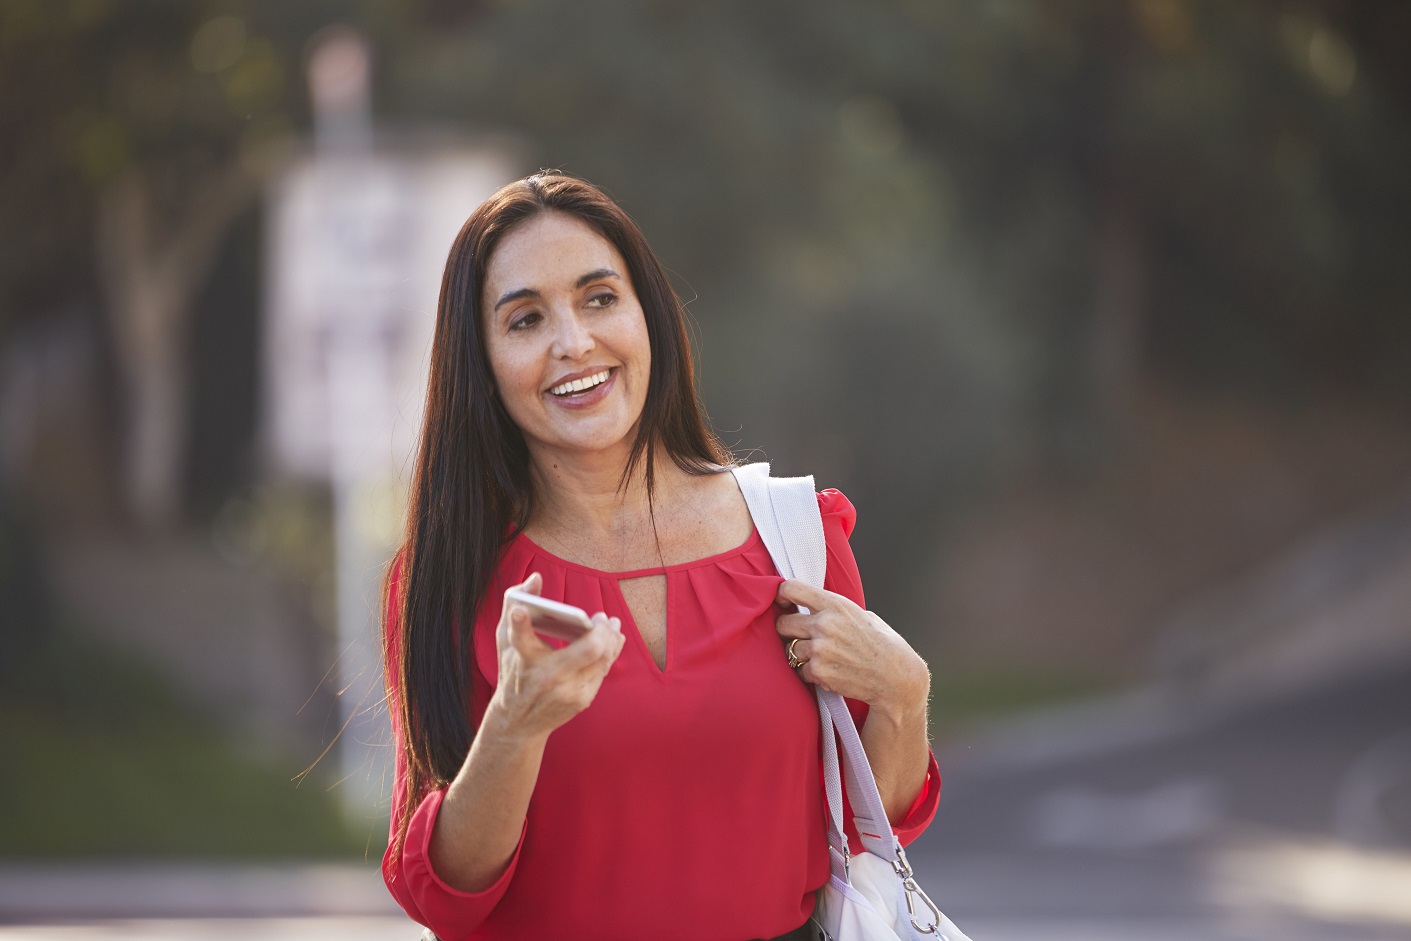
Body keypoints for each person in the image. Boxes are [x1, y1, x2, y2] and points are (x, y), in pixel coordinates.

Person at [381, 172, 940, 941]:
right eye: (524, 319)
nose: (572, 342)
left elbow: (863, 823)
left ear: (649, 315)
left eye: (599, 298)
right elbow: (444, 890)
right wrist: (514, 726)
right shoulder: (447, 578)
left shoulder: (795, 535)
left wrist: (905, 696)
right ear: (480, 360)